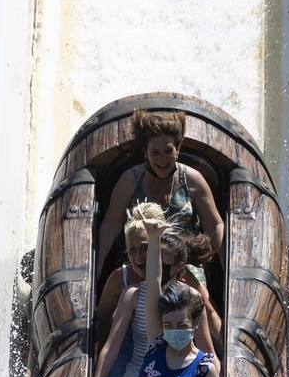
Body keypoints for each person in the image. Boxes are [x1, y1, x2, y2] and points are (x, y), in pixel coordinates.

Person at [97, 217, 222, 377]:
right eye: (169, 325)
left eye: (181, 324)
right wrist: (153, 238)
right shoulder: (157, 345)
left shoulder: (205, 369)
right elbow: (154, 280)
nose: (173, 331)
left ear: (194, 324)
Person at [95, 109, 224, 273]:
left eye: (168, 151)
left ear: (178, 149)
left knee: (198, 297)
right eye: (155, 152)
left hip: (182, 266)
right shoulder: (130, 180)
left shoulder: (193, 180)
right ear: (145, 152)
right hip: (140, 264)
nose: (162, 159)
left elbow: (215, 225)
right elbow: (110, 228)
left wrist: (228, 269)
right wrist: (97, 266)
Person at [94, 203, 223, 355]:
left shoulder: (181, 275)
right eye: (132, 250)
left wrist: (225, 349)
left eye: (145, 248)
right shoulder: (120, 279)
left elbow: (210, 314)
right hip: (131, 349)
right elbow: (101, 325)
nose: (138, 258)